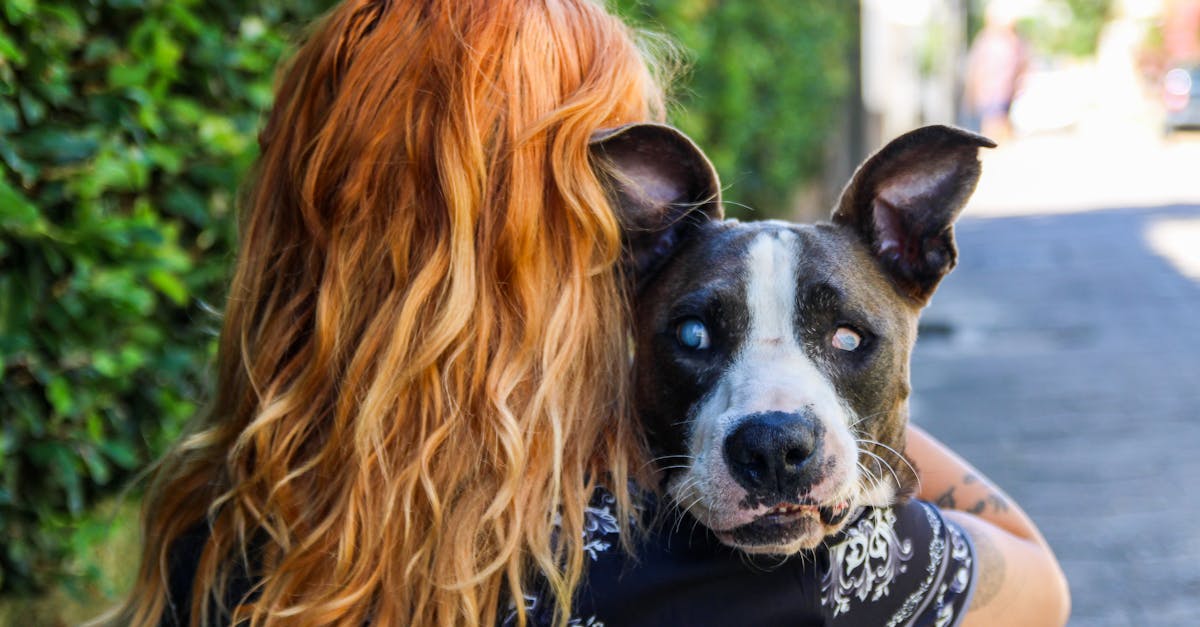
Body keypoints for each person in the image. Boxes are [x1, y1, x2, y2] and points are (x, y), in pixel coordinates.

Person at [103, 1, 1069, 626]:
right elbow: (1037, 583)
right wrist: (848, 350)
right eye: (608, 198)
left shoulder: (216, 516)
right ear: (555, 246)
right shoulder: (706, 546)